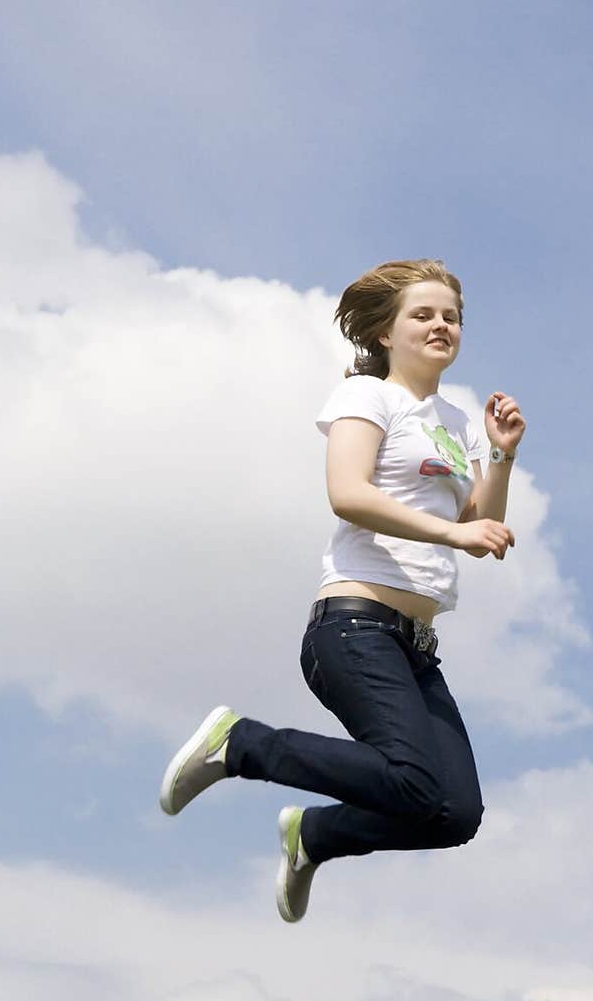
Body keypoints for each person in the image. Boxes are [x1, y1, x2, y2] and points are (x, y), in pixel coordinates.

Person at [159, 257, 525, 922]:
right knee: (415, 779)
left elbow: (477, 521)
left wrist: (500, 454)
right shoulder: (368, 396)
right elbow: (348, 494)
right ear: (386, 332)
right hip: (355, 626)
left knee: (453, 812)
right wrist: (451, 539)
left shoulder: (455, 419)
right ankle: (240, 744)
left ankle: (315, 836)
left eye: (451, 316)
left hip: (416, 647)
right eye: (424, 314)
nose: (441, 324)